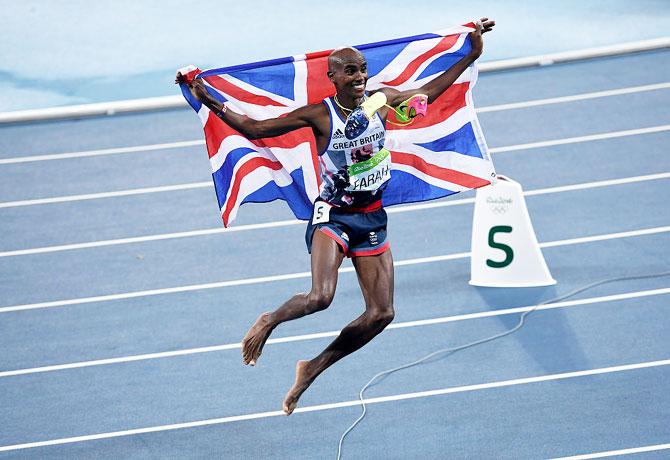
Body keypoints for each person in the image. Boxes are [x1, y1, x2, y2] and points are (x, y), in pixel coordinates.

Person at [177, 18, 495, 415]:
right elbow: (255, 128)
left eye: (362, 69)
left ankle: (311, 368)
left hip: (372, 217)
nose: (360, 76)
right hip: (334, 217)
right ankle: (268, 320)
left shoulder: (380, 101)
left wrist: (470, 54)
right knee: (320, 298)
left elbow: (428, 90)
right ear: (333, 78)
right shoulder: (320, 116)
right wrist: (205, 95)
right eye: (350, 71)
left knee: (382, 313)